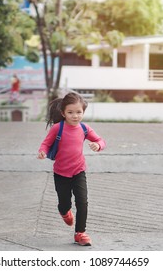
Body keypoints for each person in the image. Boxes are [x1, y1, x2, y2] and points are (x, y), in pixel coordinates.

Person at [37, 92, 106, 246]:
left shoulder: (84, 128)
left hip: (78, 171)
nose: (75, 116)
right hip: (61, 173)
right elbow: (46, 144)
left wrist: (98, 145)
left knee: (82, 202)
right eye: (70, 112)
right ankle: (64, 211)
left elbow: (101, 140)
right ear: (63, 113)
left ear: (83, 112)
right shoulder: (57, 128)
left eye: (79, 112)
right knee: (64, 203)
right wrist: (42, 151)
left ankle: (80, 233)